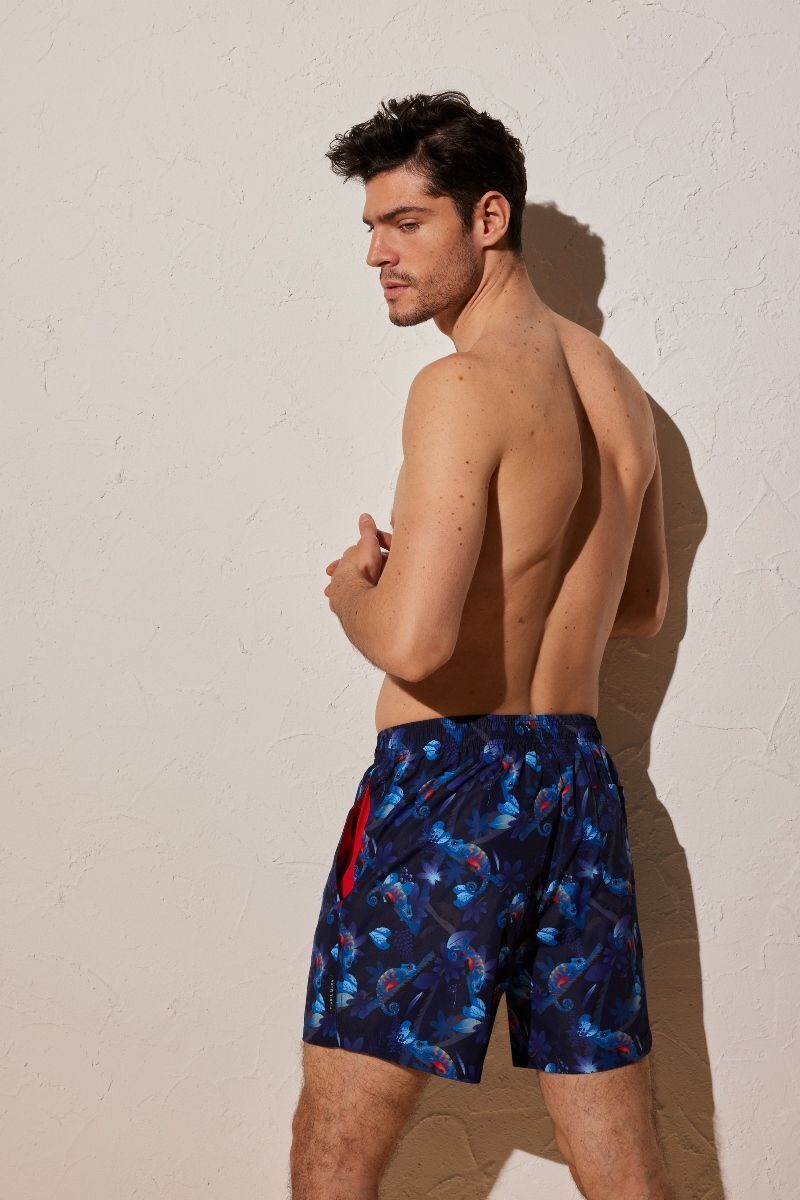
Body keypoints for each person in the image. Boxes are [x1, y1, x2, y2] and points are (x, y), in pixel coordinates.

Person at [290, 91, 672, 1200]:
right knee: (622, 1161)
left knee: (335, 1148)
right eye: (372, 227)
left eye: (406, 222)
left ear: (489, 218)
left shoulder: (457, 385)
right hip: (574, 781)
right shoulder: (617, 389)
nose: (377, 253)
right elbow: (639, 606)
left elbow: (415, 644)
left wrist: (353, 592)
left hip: (447, 780)